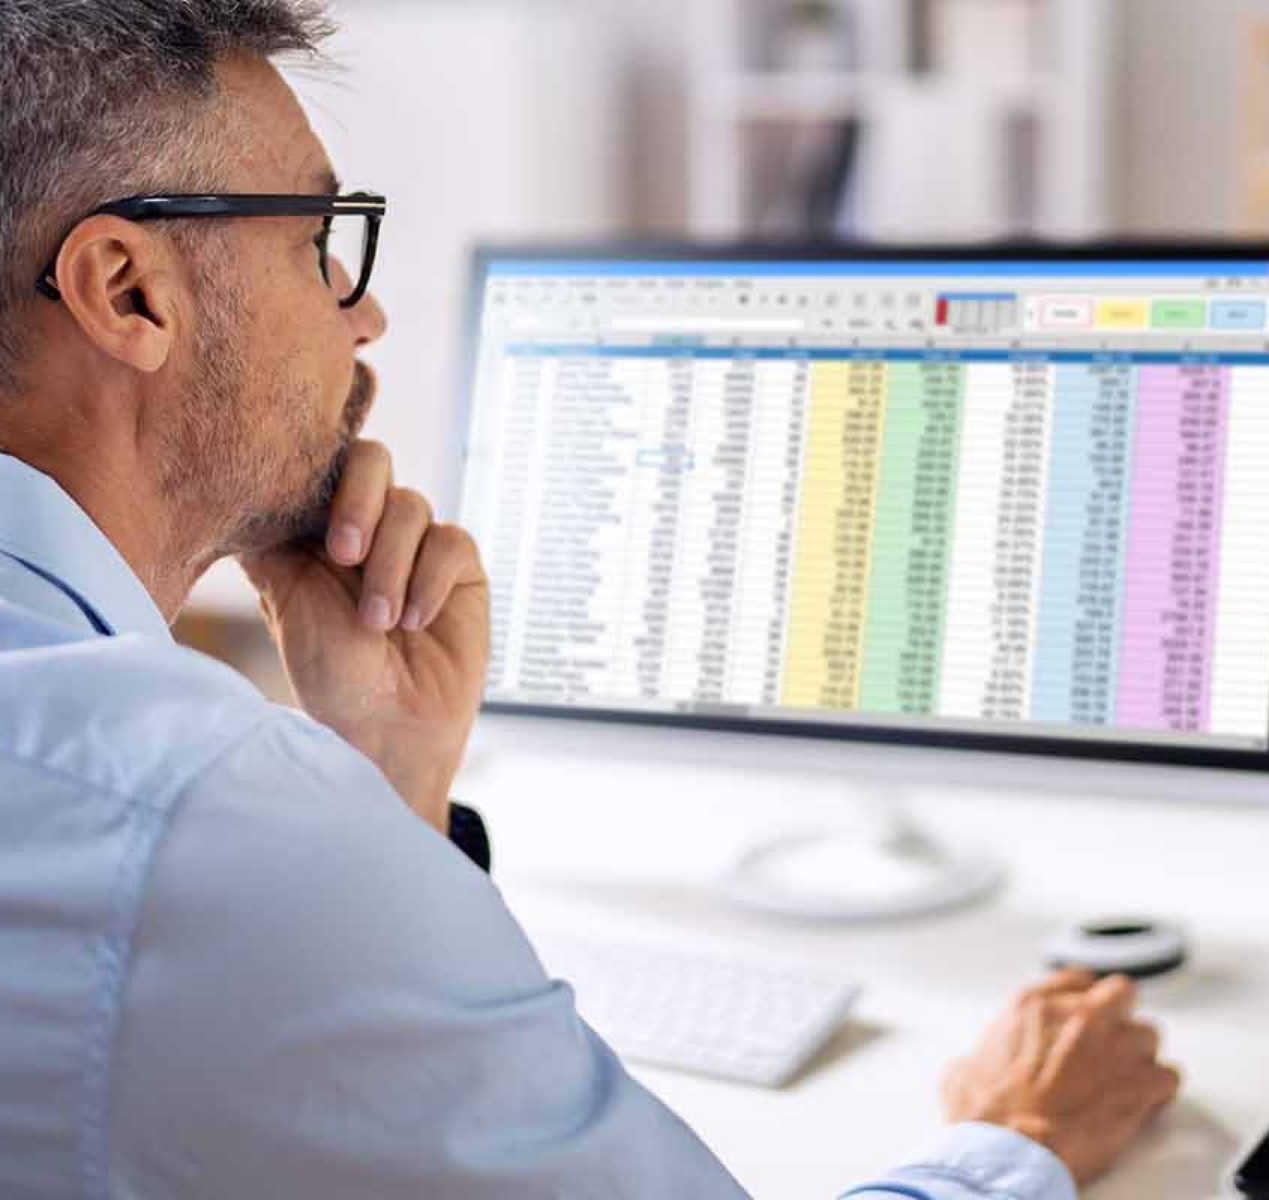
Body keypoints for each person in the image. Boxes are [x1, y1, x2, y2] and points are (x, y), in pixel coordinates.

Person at [0, 3, 1181, 1196]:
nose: (363, 317)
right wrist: (1017, 1137)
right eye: (319, 246)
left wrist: (391, 797)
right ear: (126, 289)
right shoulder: (194, 825)